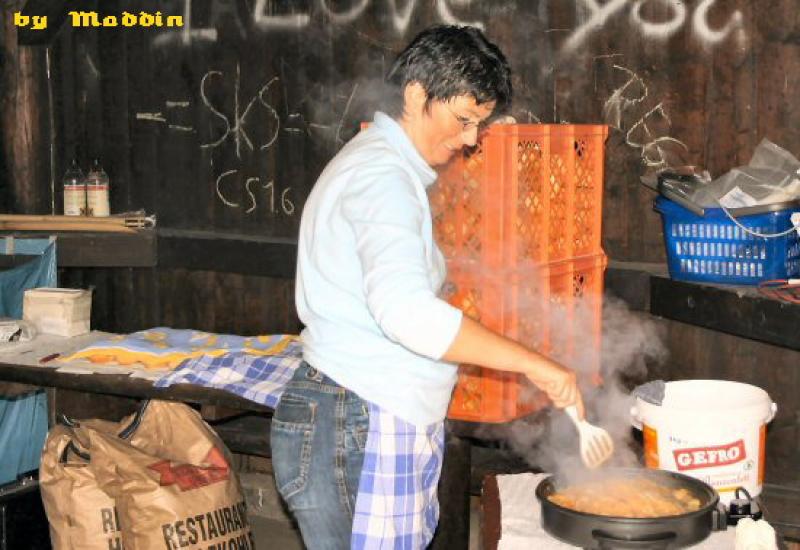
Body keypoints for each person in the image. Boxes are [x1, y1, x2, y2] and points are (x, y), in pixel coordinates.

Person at [270, 25, 585, 550]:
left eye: (479, 125)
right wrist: (535, 363)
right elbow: (407, 314)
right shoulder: (383, 177)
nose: (470, 139)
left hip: (349, 412)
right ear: (417, 95)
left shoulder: (380, 165)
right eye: (464, 120)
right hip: (354, 418)